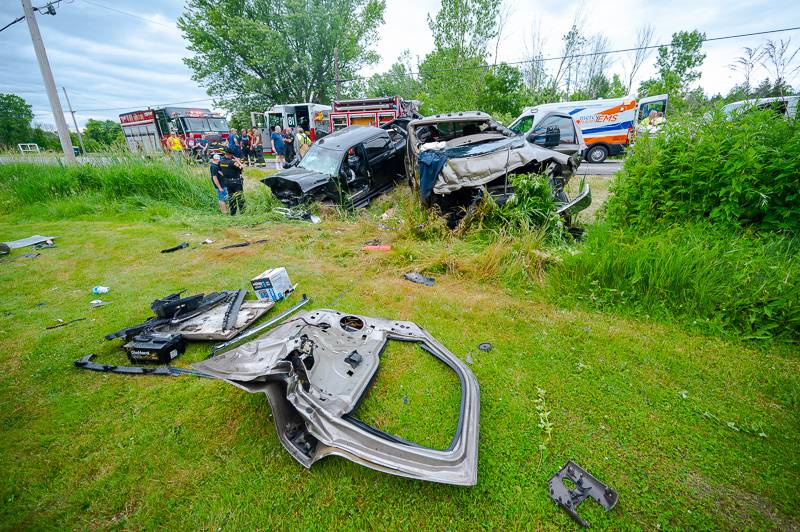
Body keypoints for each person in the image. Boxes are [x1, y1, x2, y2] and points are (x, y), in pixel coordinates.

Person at [218, 148, 245, 215]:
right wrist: (238, 161)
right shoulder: (232, 163)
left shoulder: (221, 162)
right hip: (236, 182)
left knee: (231, 198)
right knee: (240, 198)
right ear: (230, 155)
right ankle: (242, 212)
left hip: (227, 182)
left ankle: (233, 213)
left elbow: (219, 171)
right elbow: (242, 169)